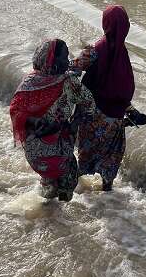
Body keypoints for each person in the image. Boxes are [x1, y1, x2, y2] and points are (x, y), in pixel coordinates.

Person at [9, 39, 95, 202]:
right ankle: (59, 215)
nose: (67, 60)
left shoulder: (29, 83)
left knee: (50, 182)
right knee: (68, 179)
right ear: (51, 61)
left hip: (35, 155)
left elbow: (15, 110)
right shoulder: (68, 82)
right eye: (63, 57)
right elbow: (89, 103)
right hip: (59, 149)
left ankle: (48, 207)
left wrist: (34, 122)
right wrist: (74, 124)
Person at [70, 5, 142, 191]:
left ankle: (72, 189)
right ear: (125, 27)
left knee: (86, 152)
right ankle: (107, 191)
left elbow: (73, 70)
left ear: (106, 24)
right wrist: (130, 110)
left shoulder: (95, 50)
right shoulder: (122, 53)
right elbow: (122, 88)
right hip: (114, 117)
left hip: (92, 114)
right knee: (112, 154)